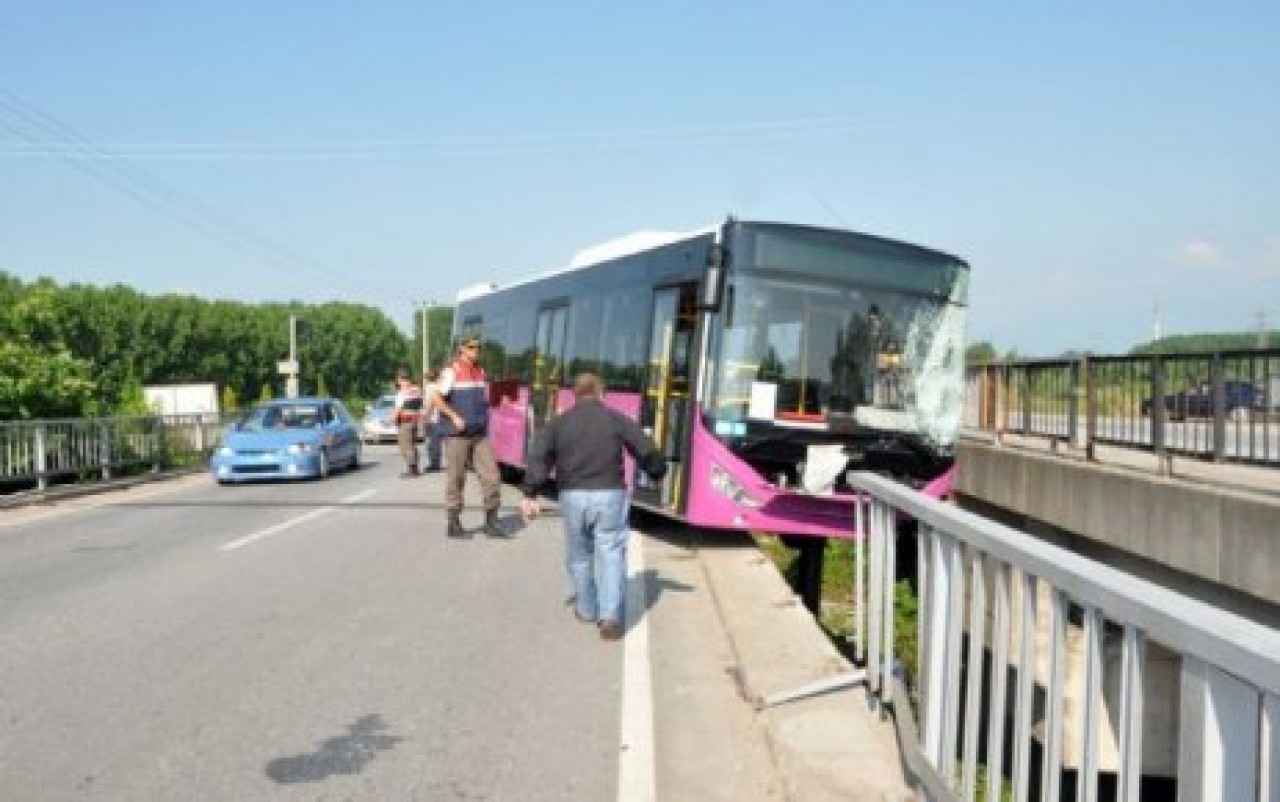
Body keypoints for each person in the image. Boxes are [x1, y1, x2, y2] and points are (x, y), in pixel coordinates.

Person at [519, 372, 667, 641]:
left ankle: (587, 609)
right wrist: (658, 471)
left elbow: (539, 457)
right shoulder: (615, 419)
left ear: (575, 395)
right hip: (609, 494)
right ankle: (609, 616)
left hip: (573, 496)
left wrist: (530, 494)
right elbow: (644, 447)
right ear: (601, 393)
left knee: (579, 554)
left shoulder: (558, 423)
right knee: (610, 552)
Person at [434, 334, 504, 538]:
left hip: (478, 433)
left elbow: (481, 400)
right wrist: (454, 416)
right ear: (462, 349)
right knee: (456, 478)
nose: (476, 351)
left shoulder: (480, 371)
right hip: (457, 435)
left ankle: (491, 522)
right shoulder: (451, 371)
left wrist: (499, 401)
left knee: (492, 476)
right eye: (472, 347)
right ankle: (453, 524)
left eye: (478, 347)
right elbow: (436, 398)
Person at [391, 368, 423, 478]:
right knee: (412, 445)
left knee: (405, 446)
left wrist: (393, 420)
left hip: (405, 422)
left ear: (400, 379)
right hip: (415, 421)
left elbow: (398, 410)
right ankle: (415, 467)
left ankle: (412, 469)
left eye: (398, 379)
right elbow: (420, 405)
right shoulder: (417, 390)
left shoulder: (402, 393)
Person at [422, 369, 443, 472]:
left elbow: (430, 402)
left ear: (427, 378)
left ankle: (434, 464)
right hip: (439, 417)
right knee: (436, 442)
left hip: (432, 418)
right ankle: (436, 463)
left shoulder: (429, 388)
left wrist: (426, 416)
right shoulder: (439, 387)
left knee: (432, 442)